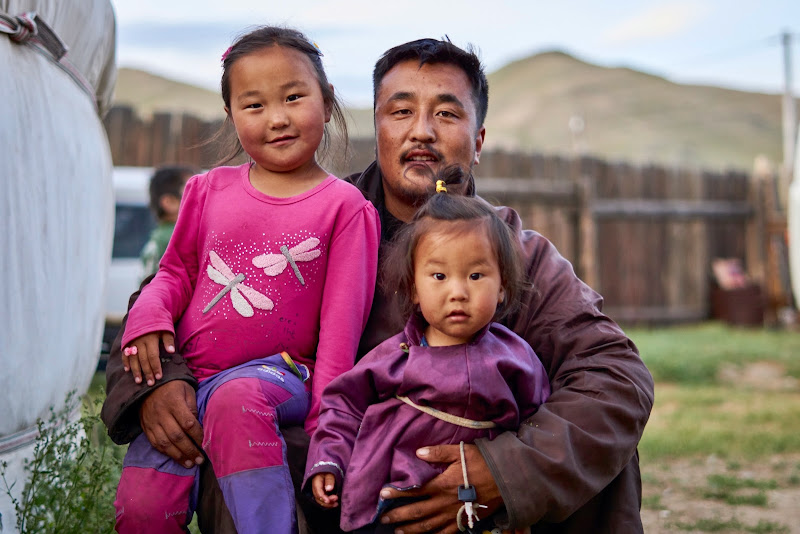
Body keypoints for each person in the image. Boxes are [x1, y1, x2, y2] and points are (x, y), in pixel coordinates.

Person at [103, 37, 654, 534]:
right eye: (401, 111)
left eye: (446, 112)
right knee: (245, 428)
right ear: (377, 126)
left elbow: (615, 374)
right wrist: (159, 382)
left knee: (602, 458)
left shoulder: (519, 254)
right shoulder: (311, 215)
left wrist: (505, 472)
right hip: (325, 484)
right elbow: (164, 296)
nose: (421, 131)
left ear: (478, 138)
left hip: (455, 495)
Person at [110, 26, 380, 534]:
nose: (277, 118)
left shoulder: (345, 209)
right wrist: (147, 317)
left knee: (238, 401)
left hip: (280, 376)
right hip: (190, 379)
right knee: (143, 507)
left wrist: (329, 441)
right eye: (254, 105)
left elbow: (339, 341)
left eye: (294, 98)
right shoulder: (207, 189)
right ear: (232, 117)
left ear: (326, 102)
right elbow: (175, 272)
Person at [305, 168, 551, 533]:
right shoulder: (396, 357)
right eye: (439, 276)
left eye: (476, 276)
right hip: (394, 495)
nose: (457, 292)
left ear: (502, 287)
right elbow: (343, 404)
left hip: (478, 506)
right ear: (414, 289)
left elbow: (537, 425)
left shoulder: (515, 360)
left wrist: (517, 487)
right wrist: (328, 460)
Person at [140, 164, 200, 277]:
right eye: (194, 191)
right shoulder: (176, 238)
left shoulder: (160, 236)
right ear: (170, 202)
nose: (204, 197)